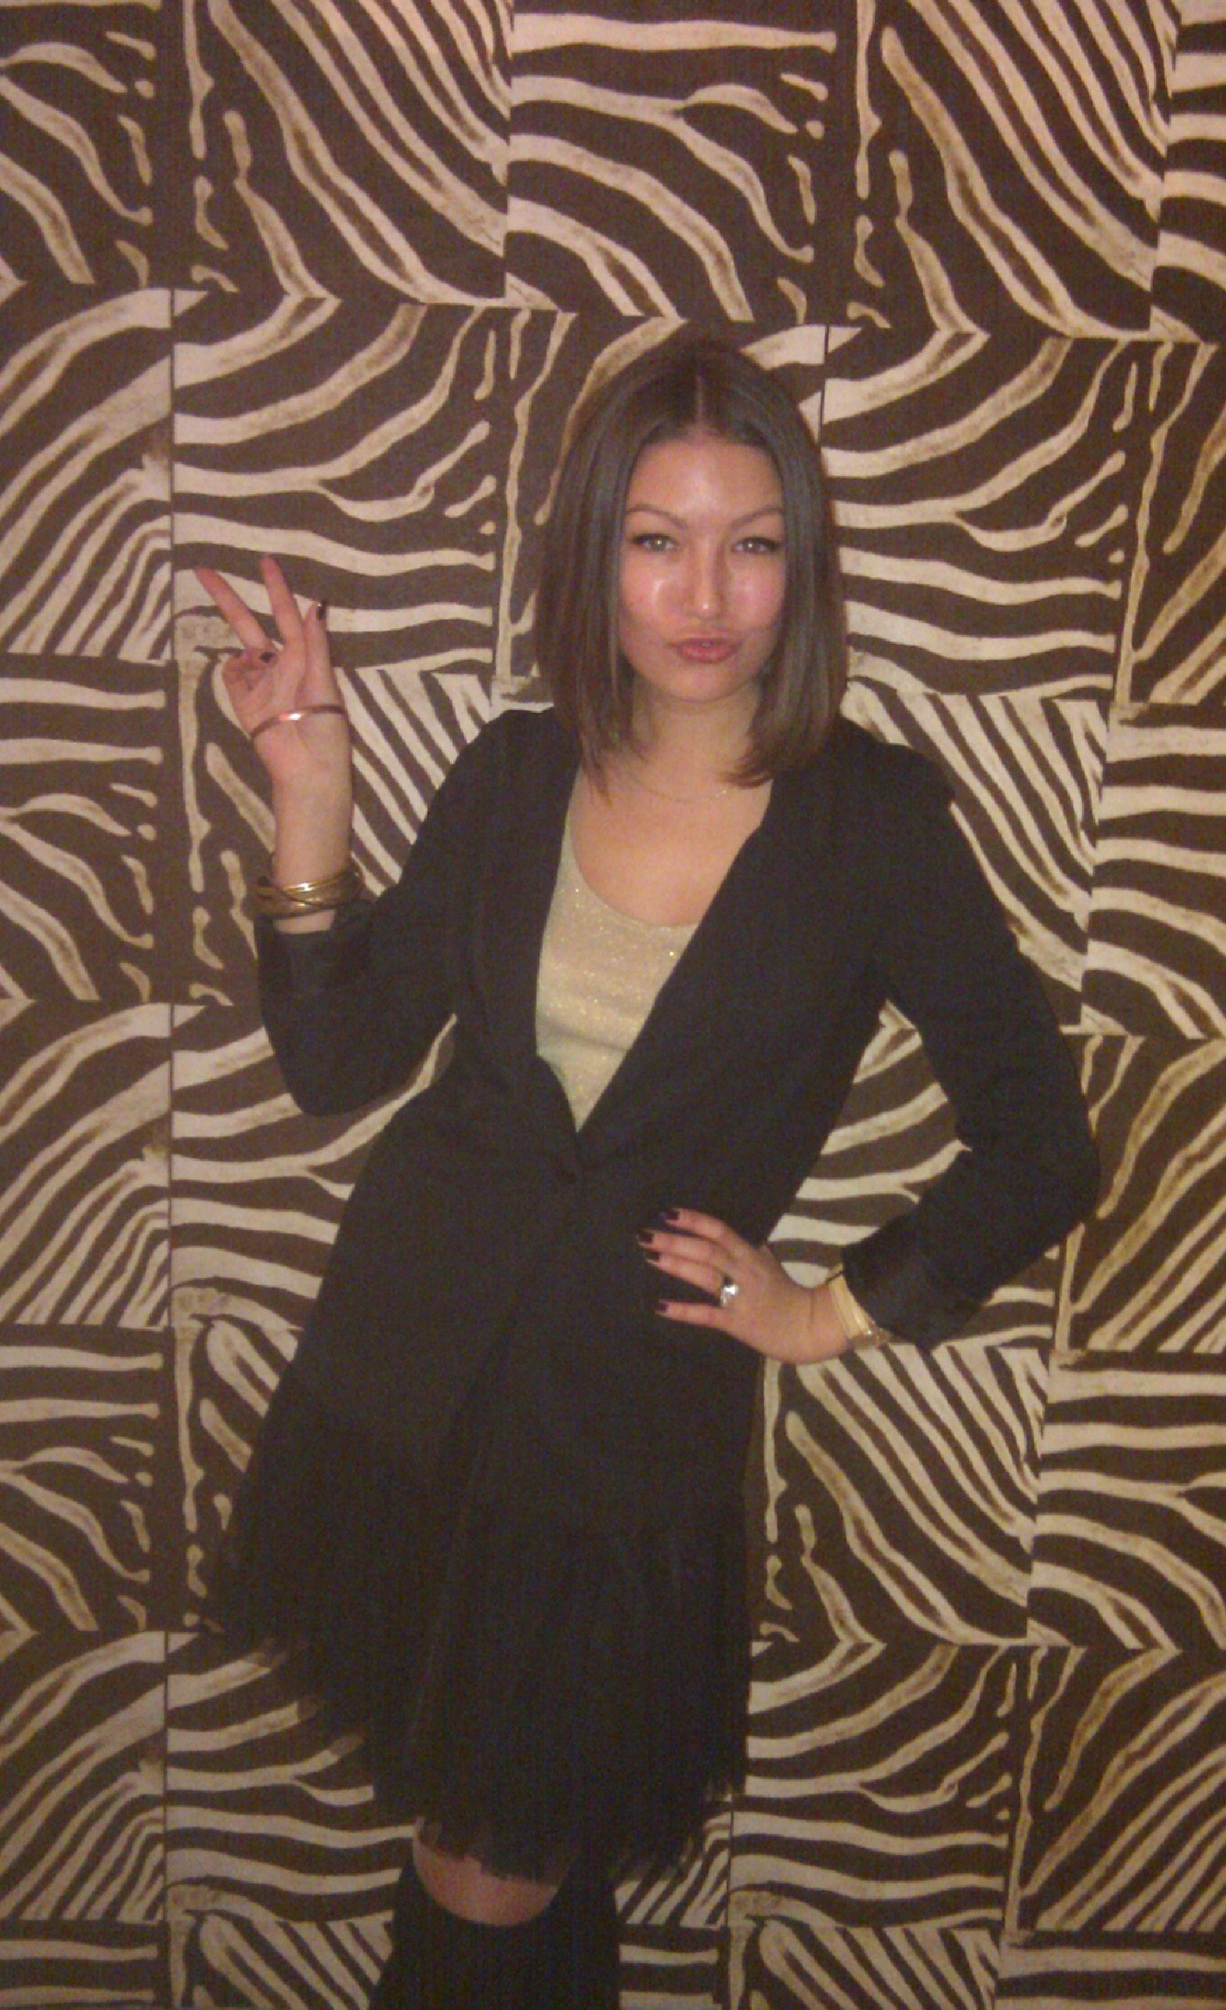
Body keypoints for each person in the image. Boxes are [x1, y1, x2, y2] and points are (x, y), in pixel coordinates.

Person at [196, 332, 1099, 2008]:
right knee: (502, 1844)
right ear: (591, 555)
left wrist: (830, 1311)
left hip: (614, 1439)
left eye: (751, 542)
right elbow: (338, 1063)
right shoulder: (513, 771)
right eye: (656, 538)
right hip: (408, 1379)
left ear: (801, 562)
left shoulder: (872, 824)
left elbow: (1041, 1139)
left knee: (493, 1857)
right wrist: (309, 786)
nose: (704, 593)